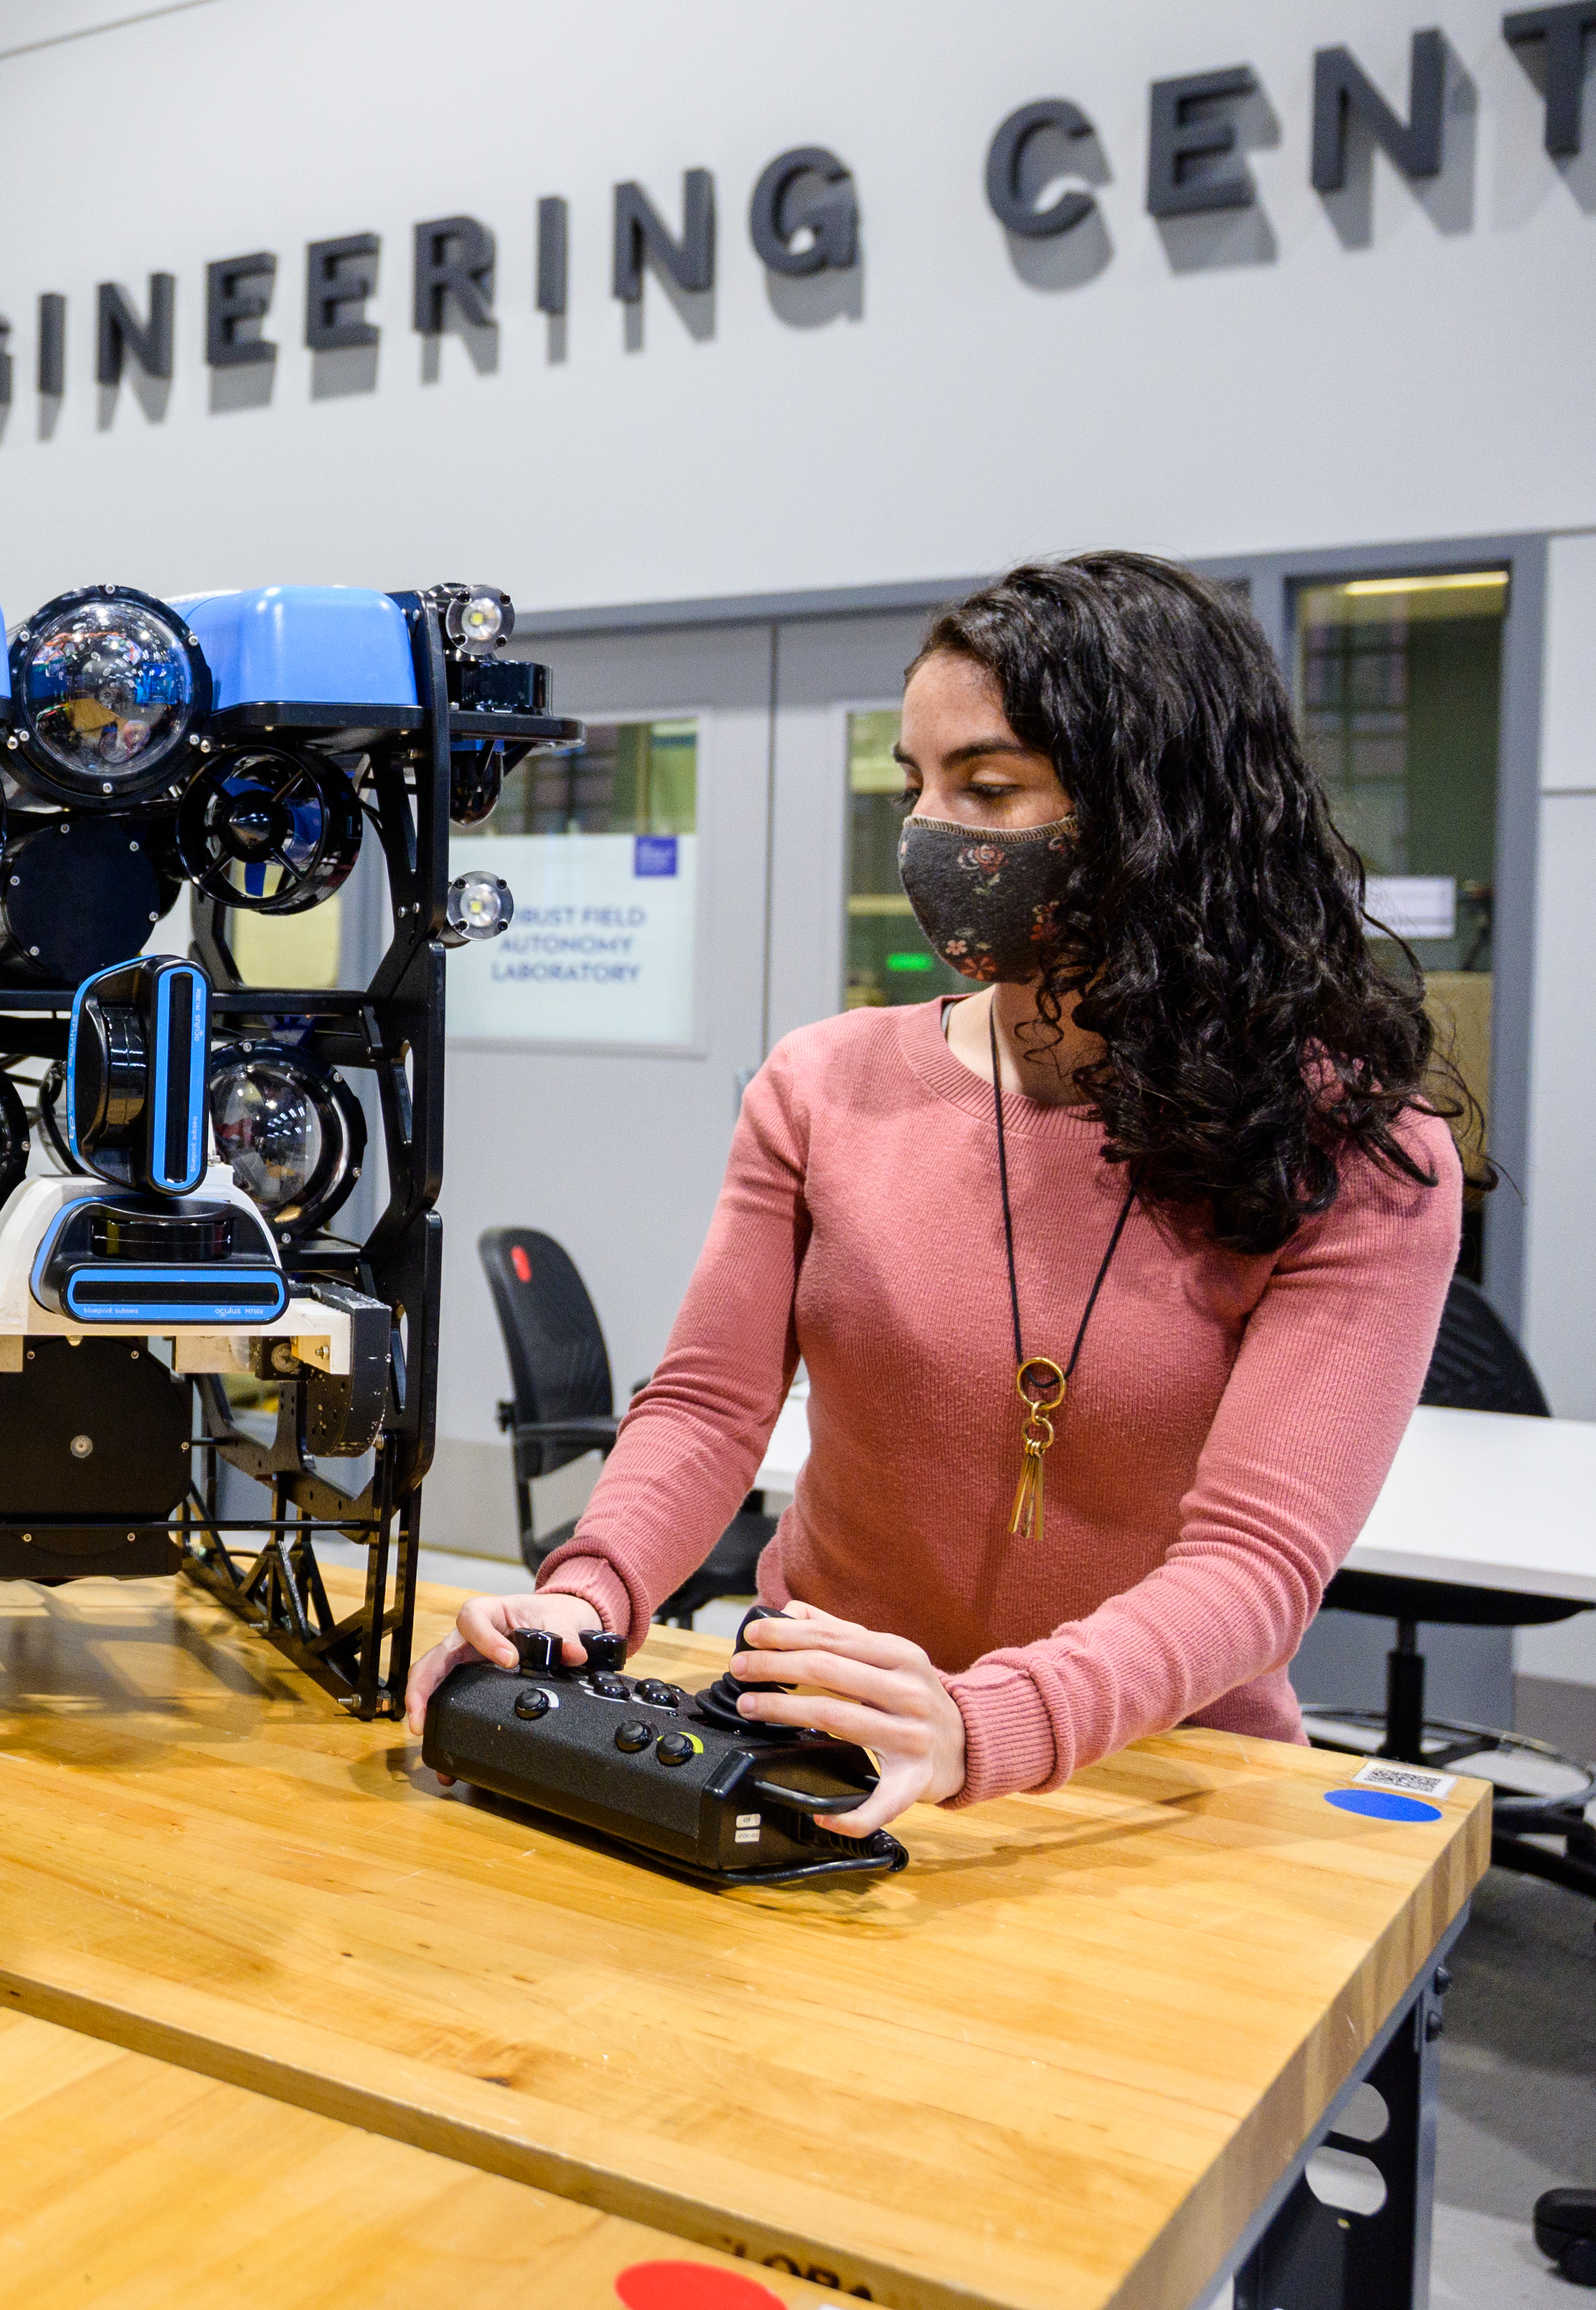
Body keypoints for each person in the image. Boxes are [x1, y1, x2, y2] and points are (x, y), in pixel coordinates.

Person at [413, 552, 1465, 1837]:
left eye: (990, 783)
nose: (931, 828)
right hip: (815, 1734)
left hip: (1150, 1790)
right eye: (916, 783)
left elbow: (1257, 1565)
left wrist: (985, 1720)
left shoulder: (1350, 1146)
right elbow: (708, 1401)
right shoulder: (825, 1084)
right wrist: (588, 1594)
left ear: (1156, 805)